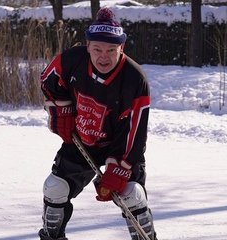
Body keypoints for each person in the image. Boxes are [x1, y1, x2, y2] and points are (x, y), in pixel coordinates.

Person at [38, 8, 158, 240]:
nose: (104, 56)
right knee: (55, 188)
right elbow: (49, 80)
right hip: (83, 139)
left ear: (121, 48)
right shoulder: (72, 60)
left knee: (131, 194)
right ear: (88, 45)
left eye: (111, 50)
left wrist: (119, 168)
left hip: (119, 144)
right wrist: (61, 110)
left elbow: (135, 130)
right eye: (97, 49)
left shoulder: (134, 78)